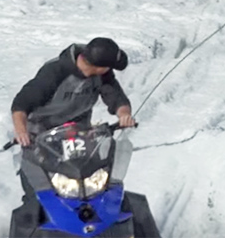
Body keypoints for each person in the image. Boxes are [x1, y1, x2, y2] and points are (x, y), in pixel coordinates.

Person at [11, 37, 135, 199]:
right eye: (109, 67)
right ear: (100, 68)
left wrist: (124, 114)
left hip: (78, 134)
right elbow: (21, 105)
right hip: (39, 137)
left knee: (91, 182)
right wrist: (21, 132)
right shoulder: (55, 72)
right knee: (41, 190)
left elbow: (116, 98)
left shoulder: (103, 76)